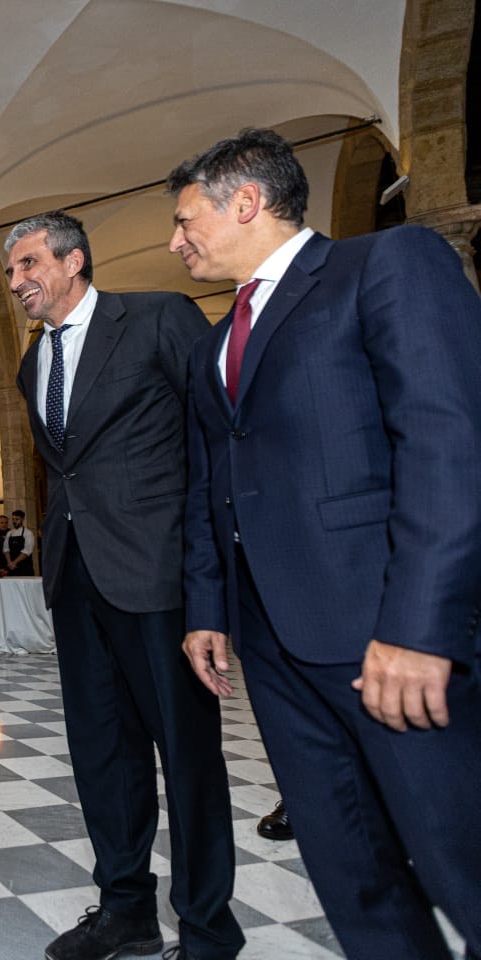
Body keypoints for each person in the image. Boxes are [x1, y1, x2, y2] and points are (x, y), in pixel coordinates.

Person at [170, 127, 481, 960]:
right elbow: (211, 488)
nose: (176, 239)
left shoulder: (385, 266)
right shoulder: (210, 349)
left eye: (185, 217)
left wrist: (419, 628)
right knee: (352, 869)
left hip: (387, 633)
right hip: (273, 645)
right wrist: (207, 608)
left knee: (462, 858)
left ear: (246, 201)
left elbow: (449, 447)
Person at [9, 210, 242, 960]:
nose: (17, 283)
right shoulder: (29, 365)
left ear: (74, 260)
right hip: (77, 580)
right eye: (11, 273)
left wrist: (213, 577)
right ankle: (126, 911)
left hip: (159, 578)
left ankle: (208, 930)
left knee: (188, 757)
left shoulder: (157, 318)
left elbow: (217, 438)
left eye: (29, 265)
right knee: (102, 756)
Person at [1, 510, 35, 576]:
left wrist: (14, 562)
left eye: (17, 519)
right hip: (11, 567)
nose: (14, 521)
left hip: (24, 567)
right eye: (13, 519)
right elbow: (6, 549)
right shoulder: (9, 533)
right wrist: (9, 562)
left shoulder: (28, 533)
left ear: (22, 519)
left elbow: (27, 551)